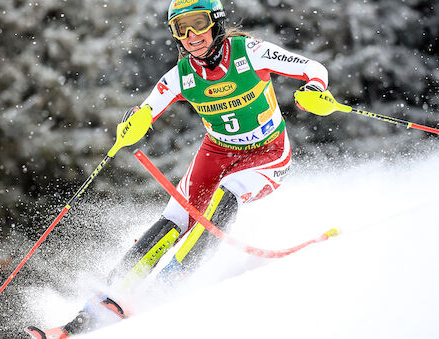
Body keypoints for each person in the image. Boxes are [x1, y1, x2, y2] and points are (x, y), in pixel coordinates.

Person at [26, 0, 329, 337]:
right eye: (180, 28)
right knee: (175, 218)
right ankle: (98, 307)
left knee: (227, 194)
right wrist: (135, 123)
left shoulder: (249, 51)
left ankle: (168, 284)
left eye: (198, 23)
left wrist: (315, 90)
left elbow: (312, 68)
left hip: (267, 154)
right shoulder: (182, 75)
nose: (191, 35)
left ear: (215, 22)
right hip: (217, 152)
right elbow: (147, 109)